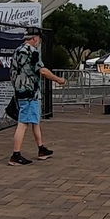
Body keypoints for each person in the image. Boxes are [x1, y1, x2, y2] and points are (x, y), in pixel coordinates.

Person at [8, 29, 66, 166]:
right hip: (30, 92)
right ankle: (15, 155)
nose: (39, 42)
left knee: (35, 121)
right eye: (39, 39)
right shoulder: (32, 52)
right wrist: (58, 80)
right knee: (23, 123)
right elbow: (42, 70)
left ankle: (41, 149)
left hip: (20, 90)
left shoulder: (17, 50)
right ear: (35, 38)